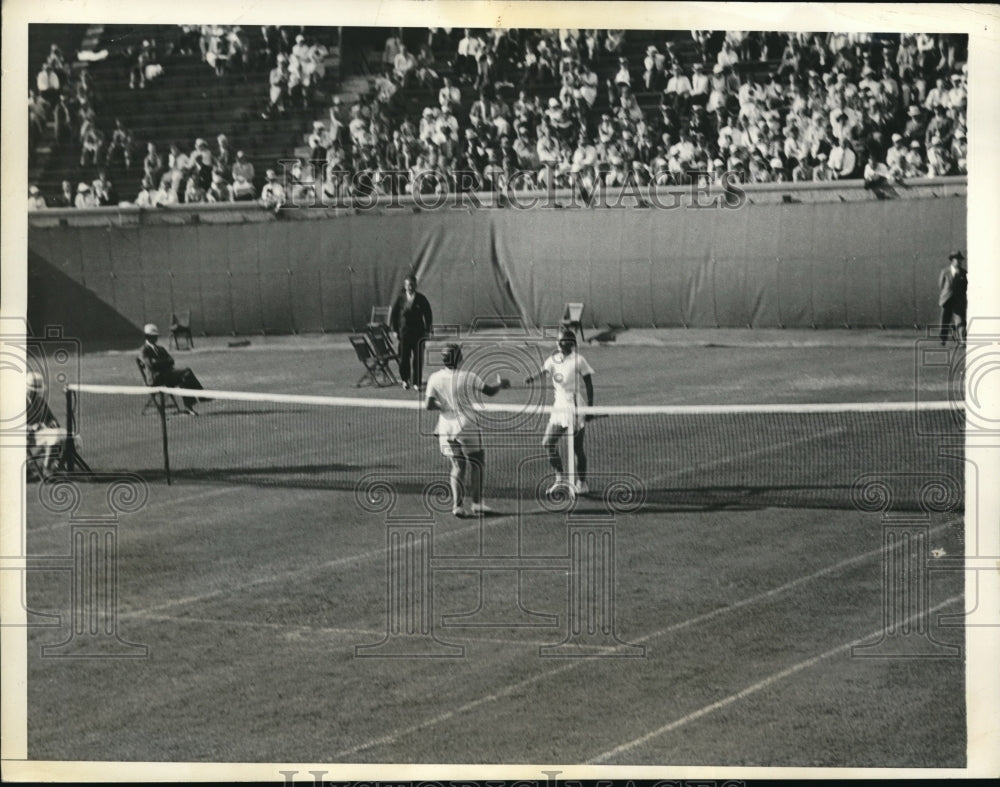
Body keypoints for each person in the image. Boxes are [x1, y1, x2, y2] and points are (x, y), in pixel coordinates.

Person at [425, 343, 510, 517]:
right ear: (459, 358)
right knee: (477, 462)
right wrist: (501, 384)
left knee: (457, 466)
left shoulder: (434, 378)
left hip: (446, 426)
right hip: (467, 424)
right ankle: (477, 503)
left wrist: (445, 407)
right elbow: (490, 391)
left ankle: (457, 506)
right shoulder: (469, 376)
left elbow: (429, 404)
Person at [525, 330, 595, 497]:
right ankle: (560, 478)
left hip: (575, 407)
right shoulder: (553, 360)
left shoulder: (579, 360)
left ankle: (582, 483)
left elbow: (589, 385)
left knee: (577, 447)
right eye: (558, 341)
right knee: (548, 443)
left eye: (562, 341)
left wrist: (590, 409)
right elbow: (544, 371)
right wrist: (531, 379)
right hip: (559, 407)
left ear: (570, 343)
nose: (558, 343)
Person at [139, 323, 206, 414]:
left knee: (185, 377)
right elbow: (151, 364)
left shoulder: (160, 348)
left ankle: (189, 407)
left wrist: (160, 362)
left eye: (156, 336)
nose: (156, 338)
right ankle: (202, 396)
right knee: (187, 372)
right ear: (147, 337)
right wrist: (164, 362)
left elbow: (171, 360)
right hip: (156, 379)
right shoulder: (144, 350)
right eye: (153, 336)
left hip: (166, 375)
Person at [389, 274, 433, 390]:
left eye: (412, 285)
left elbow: (428, 315)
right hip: (404, 334)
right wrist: (394, 330)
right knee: (404, 358)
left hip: (419, 334)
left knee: (418, 359)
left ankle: (416, 382)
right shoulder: (400, 298)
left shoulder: (421, 299)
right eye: (408, 285)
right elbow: (394, 315)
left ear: (415, 285)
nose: (410, 287)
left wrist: (428, 331)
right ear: (405, 286)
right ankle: (405, 380)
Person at [25, 371, 67, 479]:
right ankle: (46, 469)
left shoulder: (40, 401)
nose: (35, 393)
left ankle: (57, 466)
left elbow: (51, 418)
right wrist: (31, 427)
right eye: (33, 391)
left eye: (37, 391)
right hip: (26, 437)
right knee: (54, 438)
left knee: (69, 436)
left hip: (40, 435)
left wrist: (52, 423)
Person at [938, 250, 967, 346]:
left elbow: (965, 286)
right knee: (944, 320)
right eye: (957, 260)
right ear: (952, 260)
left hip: (958, 300)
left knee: (960, 320)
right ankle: (943, 338)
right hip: (947, 300)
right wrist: (946, 294)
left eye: (960, 260)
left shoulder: (964, 273)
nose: (959, 262)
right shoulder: (945, 271)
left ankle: (962, 339)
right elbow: (941, 285)